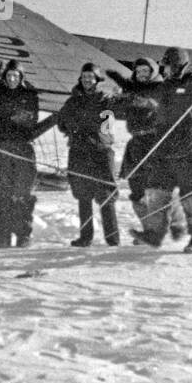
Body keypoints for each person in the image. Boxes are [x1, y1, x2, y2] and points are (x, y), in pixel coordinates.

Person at [133, 47, 192, 251]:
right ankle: (154, 232)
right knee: (157, 190)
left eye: (168, 66)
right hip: (167, 149)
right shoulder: (166, 86)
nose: (164, 70)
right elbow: (150, 96)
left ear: (179, 65)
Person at [0, 59, 41, 247]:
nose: (12, 78)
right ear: (4, 77)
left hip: (22, 147)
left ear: (21, 77)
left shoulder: (29, 94)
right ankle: (3, 235)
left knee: (23, 193)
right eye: (9, 75)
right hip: (0, 147)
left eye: (16, 75)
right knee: (2, 193)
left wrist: (16, 121)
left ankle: (23, 235)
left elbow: (32, 118)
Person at [57, 62, 120, 246]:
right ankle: (86, 237)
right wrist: (74, 130)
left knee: (105, 195)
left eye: (91, 77)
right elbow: (62, 123)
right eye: (85, 77)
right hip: (79, 152)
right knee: (83, 195)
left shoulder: (105, 100)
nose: (87, 80)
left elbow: (107, 126)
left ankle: (113, 239)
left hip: (100, 152)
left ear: (97, 80)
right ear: (81, 79)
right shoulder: (72, 101)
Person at [105, 57, 162, 223]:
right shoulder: (132, 88)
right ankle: (148, 227)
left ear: (153, 72)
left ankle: (161, 226)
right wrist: (115, 98)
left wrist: (142, 101)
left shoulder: (160, 87)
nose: (141, 74)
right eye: (138, 71)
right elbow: (119, 106)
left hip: (155, 141)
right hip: (136, 142)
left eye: (145, 71)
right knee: (136, 188)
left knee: (153, 187)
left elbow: (158, 104)